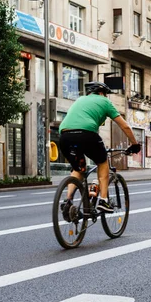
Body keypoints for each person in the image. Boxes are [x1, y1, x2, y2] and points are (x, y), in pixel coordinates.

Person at [59, 81, 141, 214]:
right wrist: (135, 144)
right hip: (86, 134)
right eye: (106, 94)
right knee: (102, 162)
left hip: (65, 136)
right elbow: (125, 126)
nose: (106, 97)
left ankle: (67, 201)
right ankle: (103, 201)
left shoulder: (80, 100)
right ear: (102, 93)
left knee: (78, 169)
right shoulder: (105, 102)